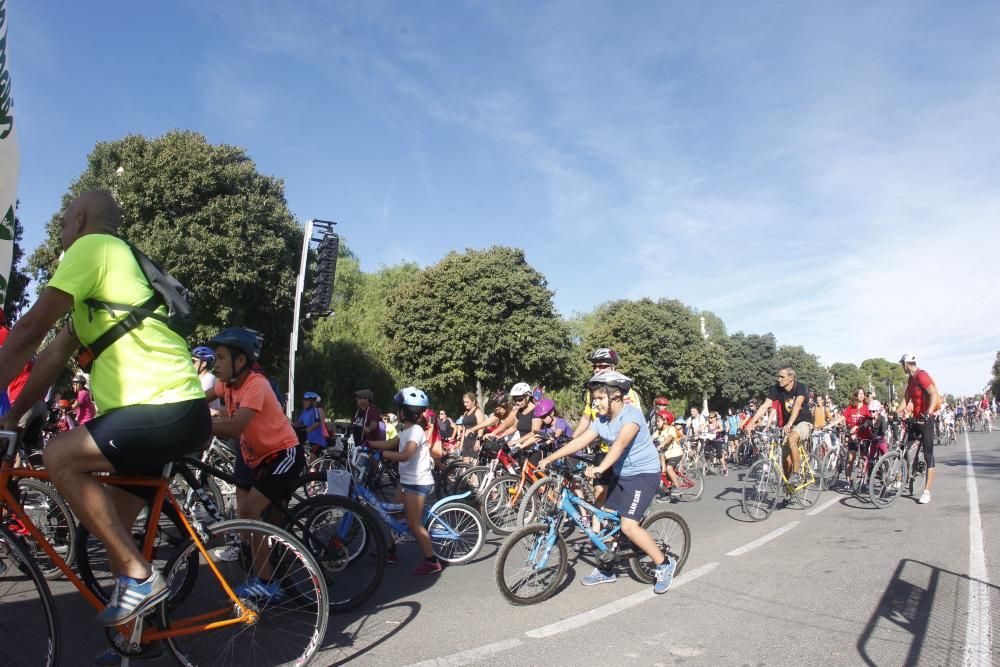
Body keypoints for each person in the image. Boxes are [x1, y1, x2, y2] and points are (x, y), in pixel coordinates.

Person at [0, 190, 210, 633]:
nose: (60, 232)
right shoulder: (106, 279)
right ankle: (141, 635)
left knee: (60, 455)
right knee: (109, 527)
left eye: (61, 223)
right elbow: (52, 357)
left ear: (78, 219)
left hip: (162, 407)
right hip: (160, 412)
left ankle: (140, 577)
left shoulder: (92, 248)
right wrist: (10, 417)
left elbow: (27, 331)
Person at [538, 371, 675, 594]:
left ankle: (664, 564)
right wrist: (552, 457)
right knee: (608, 520)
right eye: (594, 398)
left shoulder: (632, 416)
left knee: (628, 526)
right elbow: (581, 440)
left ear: (617, 396)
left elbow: (620, 444)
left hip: (643, 474)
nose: (595, 403)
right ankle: (607, 569)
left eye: (600, 398)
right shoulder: (601, 420)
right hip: (622, 473)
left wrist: (601, 468)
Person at [206, 328, 305, 593]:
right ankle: (268, 568)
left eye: (220, 358)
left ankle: (267, 584)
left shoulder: (255, 384)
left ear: (240, 361)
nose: (215, 364)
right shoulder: (226, 384)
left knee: (249, 512)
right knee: (252, 516)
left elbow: (236, 427)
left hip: (284, 455)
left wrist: (199, 426)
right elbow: (198, 400)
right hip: (261, 460)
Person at [367, 387, 442, 575]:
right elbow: (389, 443)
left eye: (399, 408)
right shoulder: (406, 430)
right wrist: (367, 444)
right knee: (394, 517)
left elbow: (406, 454)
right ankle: (391, 552)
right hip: (407, 480)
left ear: (404, 411)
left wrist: (382, 454)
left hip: (418, 482)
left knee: (414, 524)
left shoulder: (416, 431)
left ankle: (432, 561)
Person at [574, 348, 643, 514]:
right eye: (595, 366)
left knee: (619, 498)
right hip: (603, 450)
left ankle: (623, 528)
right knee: (599, 492)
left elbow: (632, 422)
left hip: (623, 453)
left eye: (603, 366)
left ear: (613, 367)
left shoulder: (625, 392)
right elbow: (586, 419)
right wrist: (572, 438)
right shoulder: (592, 394)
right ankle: (599, 534)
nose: (597, 369)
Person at [744, 366, 813, 485]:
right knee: (785, 459)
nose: (779, 379)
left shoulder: (800, 387)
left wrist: (790, 423)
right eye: (778, 376)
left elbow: (796, 406)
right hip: (788, 425)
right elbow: (765, 406)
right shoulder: (776, 389)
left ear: (791, 378)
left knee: (792, 438)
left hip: (803, 422)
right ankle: (788, 487)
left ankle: (796, 474)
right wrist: (750, 423)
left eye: (782, 377)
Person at [897, 353, 941, 504]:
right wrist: (895, 412)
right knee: (909, 451)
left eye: (901, 364)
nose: (901, 366)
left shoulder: (922, 375)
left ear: (906, 363)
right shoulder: (910, 379)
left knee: (929, 456)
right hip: (916, 420)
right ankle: (913, 472)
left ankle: (927, 492)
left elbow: (933, 394)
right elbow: (906, 399)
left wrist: (928, 413)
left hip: (926, 419)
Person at [829, 388, 872, 486]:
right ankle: (848, 481)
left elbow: (869, 421)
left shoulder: (867, 407)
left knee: (863, 458)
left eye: (862, 393)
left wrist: (859, 427)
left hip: (864, 436)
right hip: (853, 437)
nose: (861, 395)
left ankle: (863, 479)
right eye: (859, 393)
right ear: (856, 396)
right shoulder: (851, 407)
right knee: (850, 458)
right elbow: (842, 417)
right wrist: (830, 425)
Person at [654, 410, 684, 499]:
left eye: (658, 421)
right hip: (666, 455)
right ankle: (667, 494)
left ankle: (678, 487)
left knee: (668, 468)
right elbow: (650, 438)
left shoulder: (671, 429)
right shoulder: (658, 431)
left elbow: (670, 437)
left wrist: (662, 444)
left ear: (665, 421)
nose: (657, 422)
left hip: (676, 453)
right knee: (664, 473)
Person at [191, 346, 222, 417]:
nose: (191, 364)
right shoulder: (198, 378)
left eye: (193, 361)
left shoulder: (208, 379)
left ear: (204, 364)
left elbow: (197, 403)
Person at [457, 392, 486, 463]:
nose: (465, 404)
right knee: (466, 466)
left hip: (474, 440)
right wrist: (461, 443)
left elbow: (481, 427)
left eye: (467, 402)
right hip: (466, 441)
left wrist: (478, 441)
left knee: (472, 468)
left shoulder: (478, 412)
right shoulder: (466, 413)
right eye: (464, 402)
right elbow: (464, 429)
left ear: (473, 401)